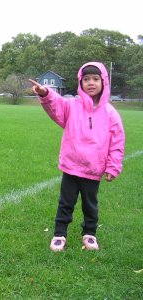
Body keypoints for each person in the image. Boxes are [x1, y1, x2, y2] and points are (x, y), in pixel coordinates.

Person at [29, 62, 125, 252]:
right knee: (65, 203)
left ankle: (89, 234)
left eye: (95, 79)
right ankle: (59, 234)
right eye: (86, 79)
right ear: (80, 82)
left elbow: (117, 142)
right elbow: (56, 104)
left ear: (103, 82)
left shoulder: (110, 113)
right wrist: (45, 93)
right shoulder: (72, 106)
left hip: (93, 169)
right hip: (71, 166)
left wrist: (113, 167)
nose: (91, 83)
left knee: (90, 205)